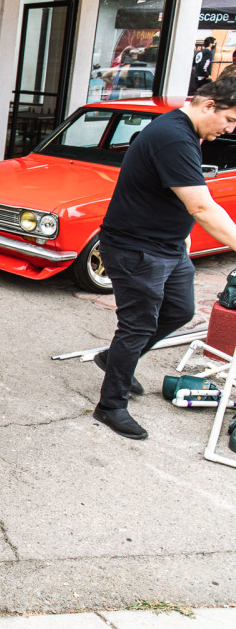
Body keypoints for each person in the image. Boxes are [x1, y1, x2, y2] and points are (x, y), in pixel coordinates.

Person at [93, 76, 236, 440]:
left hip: (168, 245)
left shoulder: (186, 132)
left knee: (178, 311)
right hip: (136, 248)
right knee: (138, 325)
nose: (230, 129)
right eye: (230, 120)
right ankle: (111, 405)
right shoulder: (173, 136)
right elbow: (201, 206)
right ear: (209, 106)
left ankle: (114, 360)